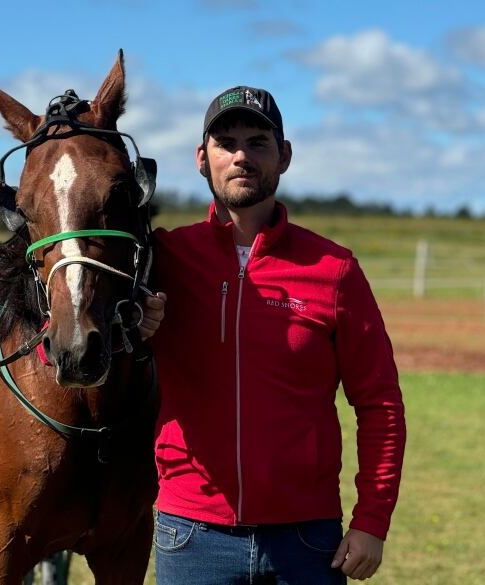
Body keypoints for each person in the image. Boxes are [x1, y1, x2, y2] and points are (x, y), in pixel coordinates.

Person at [144, 86, 406, 584]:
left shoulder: (334, 269)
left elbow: (380, 403)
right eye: (227, 142)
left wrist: (371, 521)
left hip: (307, 540)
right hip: (191, 534)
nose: (242, 155)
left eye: (258, 142)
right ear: (203, 158)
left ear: (284, 156)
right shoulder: (161, 259)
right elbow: (64, 348)